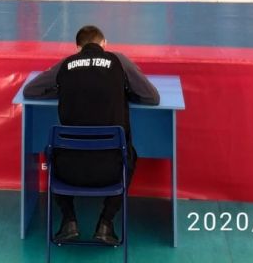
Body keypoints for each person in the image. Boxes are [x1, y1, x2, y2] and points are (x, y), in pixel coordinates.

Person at [23, 24, 159, 245]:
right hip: (112, 169)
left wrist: (63, 91)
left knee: (51, 153)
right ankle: (106, 222)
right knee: (130, 155)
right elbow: (152, 97)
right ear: (104, 44)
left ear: (78, 48)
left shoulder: (67, 64)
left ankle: (68, 220)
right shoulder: (119, 61)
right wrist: (125, 94)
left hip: (68, 170)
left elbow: (30, 90)